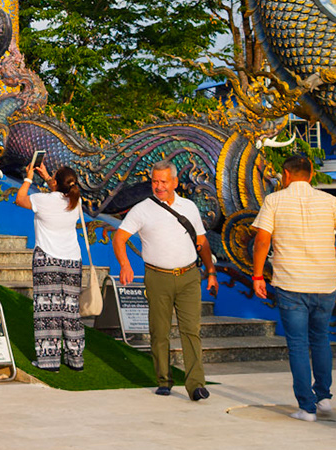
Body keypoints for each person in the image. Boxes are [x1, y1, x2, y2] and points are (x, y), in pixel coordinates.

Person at [250, 153, 336, 422]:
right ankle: (323, 398)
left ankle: (306, 407)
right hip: (324, 284)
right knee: (321, 339)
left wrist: (257, 276)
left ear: (286, 175)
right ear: (311, 175)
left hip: (291, 284)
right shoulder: (330, 201)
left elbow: (262, 241)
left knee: (298, 345)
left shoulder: (274, 200)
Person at [112, 163, 217, 401]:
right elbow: (119, 239)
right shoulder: (141, 210)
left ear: (175, 182)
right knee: (160, 331)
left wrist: (211, 272)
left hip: (189, 276)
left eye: (163, 181)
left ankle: (196, 385)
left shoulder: (189, 207)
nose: (159, 186)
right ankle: (164, 380)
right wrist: (125, 265)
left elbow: (201, 241)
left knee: (191, 330)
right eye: (155, 181)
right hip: (157, 277)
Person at [15, 159, 86, 371]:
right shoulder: (75, 201)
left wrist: (29, 177)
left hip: (47, 259)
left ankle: (49, 361)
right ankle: (75, 359)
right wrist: (48, 178)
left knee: (48, 311)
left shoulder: (42, 200)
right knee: (70, 310)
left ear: (56, 182)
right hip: (72, 260)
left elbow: (20, 199)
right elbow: (61, 191)